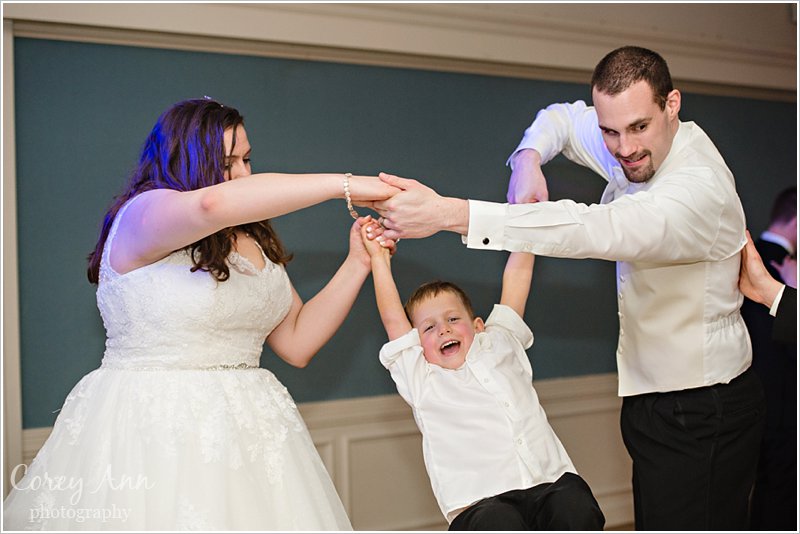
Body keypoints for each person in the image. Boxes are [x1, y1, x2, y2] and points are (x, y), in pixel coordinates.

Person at [371, 46, 765, 530]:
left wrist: (448, 214)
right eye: (610, 131)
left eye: (638, 127)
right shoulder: (632, 139)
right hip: (652, 398)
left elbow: (592, 230)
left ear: (672, 105)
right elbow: (558, 119)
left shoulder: (696, 190)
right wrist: (528, 160)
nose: (623, 148)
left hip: (703, 402)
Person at [2, 98, 398, 530]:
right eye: (228, 163)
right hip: (152, 427)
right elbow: (210, 206)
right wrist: (346, 185)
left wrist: (357, 262)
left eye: (247, 159)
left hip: (251, 432)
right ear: (187, 160)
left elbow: (297, 342)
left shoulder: (252, 237)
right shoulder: (145, 212)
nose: (244, 174)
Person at [360, 217, 605, 531]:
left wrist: (527, 217)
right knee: (498, 522)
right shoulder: (422, 379)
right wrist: (379, 260)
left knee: (575, 504)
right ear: (417, 345)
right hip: (481, 503)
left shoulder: (500, 342)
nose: (443, 329)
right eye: (429, 328)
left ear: (478, 326)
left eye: (452, 319)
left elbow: (517, 281)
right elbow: (394, 321)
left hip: (549, 482)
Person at [738, 188, 797, 530]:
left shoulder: (745, 257)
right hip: (785, 404)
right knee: (781, 494)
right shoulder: (786, 269)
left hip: (744, 396)